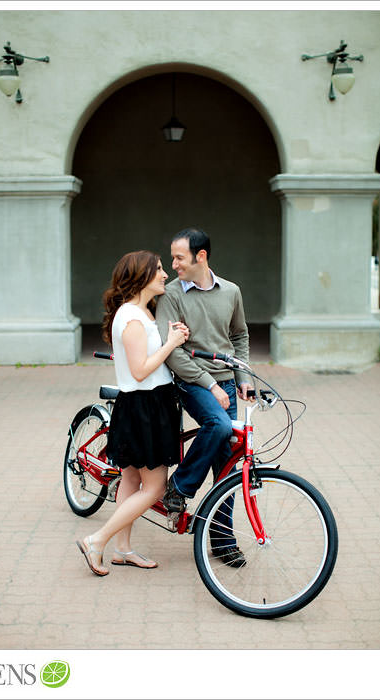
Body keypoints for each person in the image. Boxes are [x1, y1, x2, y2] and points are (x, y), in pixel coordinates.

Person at [75, 251, 188, 575]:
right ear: (141, 276)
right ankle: (97, 541)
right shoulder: (133, 317)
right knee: (153, 488)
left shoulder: (138, 312)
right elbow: (140, 371)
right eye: (159, 270)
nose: (165, 274)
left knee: (131, 478)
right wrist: (172, 343)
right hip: (146, 406)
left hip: (144, 404)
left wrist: (169, 339)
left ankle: (122, 550)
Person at [156, 227, 253, 568]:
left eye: (179, 257)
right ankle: (179, 487)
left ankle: (222, 541)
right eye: (172, 257)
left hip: (227, 382)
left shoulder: (231, 291)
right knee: (218, 426)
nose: (173, 264)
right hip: (192, 380)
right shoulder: (171, 295)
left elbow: (239, 335)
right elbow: (172, 352)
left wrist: (242, 378)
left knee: (226, 464)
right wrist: (209, 384)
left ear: (201, 256)